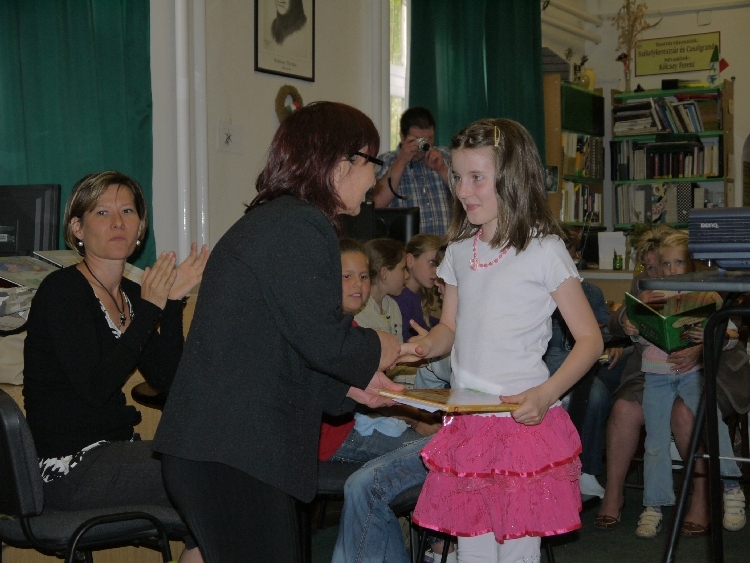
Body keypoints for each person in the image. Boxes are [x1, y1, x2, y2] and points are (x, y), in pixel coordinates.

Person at [152, 101, 404, 563]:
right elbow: (325, 340)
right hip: (235, 452)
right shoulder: (301, 226)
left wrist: (349, 389)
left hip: (216, 449)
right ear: (340, 165)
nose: (375, 177)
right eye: (373, 161)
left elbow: (284, 347)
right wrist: (382, 345)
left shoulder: (278, 221)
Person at [400, 118, 603, 563]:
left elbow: (590, 340)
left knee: (516, 550)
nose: (463, 190)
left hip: (520, 422)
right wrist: (425, 346)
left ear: (512, 178)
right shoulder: (458, 251)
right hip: (470, 421)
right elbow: (450, 329)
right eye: (458, 177)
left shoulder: (544, 250)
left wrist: (545, 394)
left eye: (477, 177)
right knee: (472, 548)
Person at [22, 171, 209, 563]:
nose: (118, 222)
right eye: (102, 212)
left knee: (221, 480)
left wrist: (173, 303)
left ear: (140, 227)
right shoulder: (62, 292)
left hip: (115, 453)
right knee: (208, 471)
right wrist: (151, 310)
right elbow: (94, 387)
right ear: (78, 228)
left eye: (127, 211)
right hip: (67, 467)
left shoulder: (132, 296)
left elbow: (168, 380)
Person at [594, 226, 739, 537]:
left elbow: (730, 329)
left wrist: (703, 348)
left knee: (691, 414)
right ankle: (633, 499)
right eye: (655, 266)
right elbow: (623, 324)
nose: (664, 272)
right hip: (654, 373)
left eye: (674, 263)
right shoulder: (649, 290)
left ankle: (714, 490)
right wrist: (631, 322)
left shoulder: (705, 290)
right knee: (634, 421)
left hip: (702, 372)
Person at [319, 238, 438, 465]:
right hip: (335, 437)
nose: (358, 284)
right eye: (347, 276)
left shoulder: (350, 326)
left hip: (355, 422)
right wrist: (417, 420)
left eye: (364, 277)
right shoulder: (331, 332)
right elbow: (373, 399)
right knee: (435, 452)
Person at [371, 107, 453, 236]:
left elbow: (465, 193)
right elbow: (377, 204)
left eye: (429, 139)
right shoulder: (386, 161)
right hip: (406, 246)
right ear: (403, 137)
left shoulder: (445, 156)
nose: (424, 145)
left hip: (444, 244)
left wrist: (442, 169)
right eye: (418, 140)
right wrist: (402, 160)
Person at [354, 238, 410, 342]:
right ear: (384, 273)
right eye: (403, 268)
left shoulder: (392, 305)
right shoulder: (359, 311)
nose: (407, 275)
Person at [394, 233, 442, 340]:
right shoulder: (399, 298)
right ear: (410, 260)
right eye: (432, 262)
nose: (437, 271)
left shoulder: (417, 295)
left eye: (440, 265)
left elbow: (426, 322)